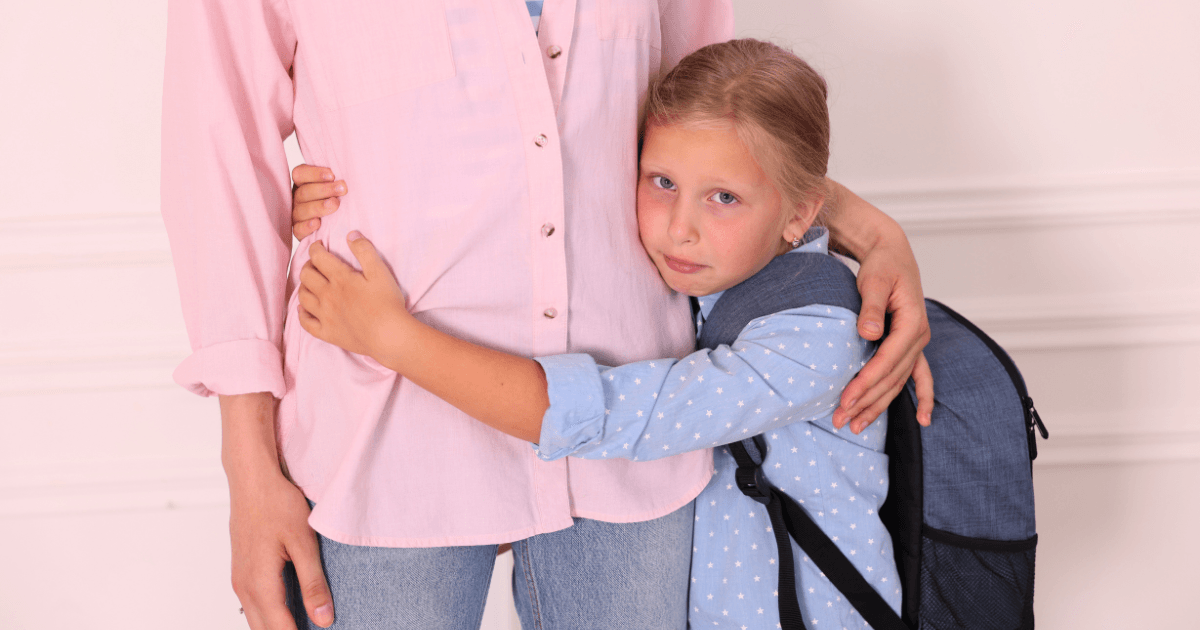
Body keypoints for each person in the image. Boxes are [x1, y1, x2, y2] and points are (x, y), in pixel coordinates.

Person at [160, 1, 931, 628]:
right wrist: (249, 469)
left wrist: (867, 233)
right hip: (385, 433)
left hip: (630, 422)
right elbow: (218, 156)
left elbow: (712, 123)